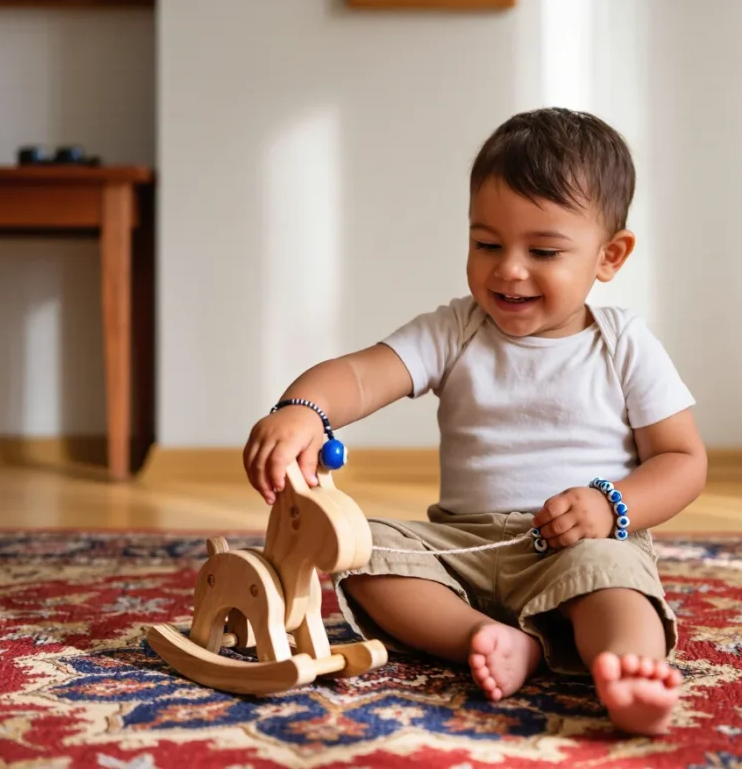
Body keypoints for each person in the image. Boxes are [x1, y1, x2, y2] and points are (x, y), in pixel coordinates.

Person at [243, 107, 707, 736]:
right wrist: (304, 408)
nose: (508, 268)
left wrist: (611, 506)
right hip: (461, 549)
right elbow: (360, 375)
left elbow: (682, 460)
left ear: (610, 255)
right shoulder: (456, 330)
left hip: (578, 542)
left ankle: (627, 672)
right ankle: (484, 637)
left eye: (542, 250)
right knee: (363, 547)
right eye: (487, 244)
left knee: (614, 582)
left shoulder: (623, 343)